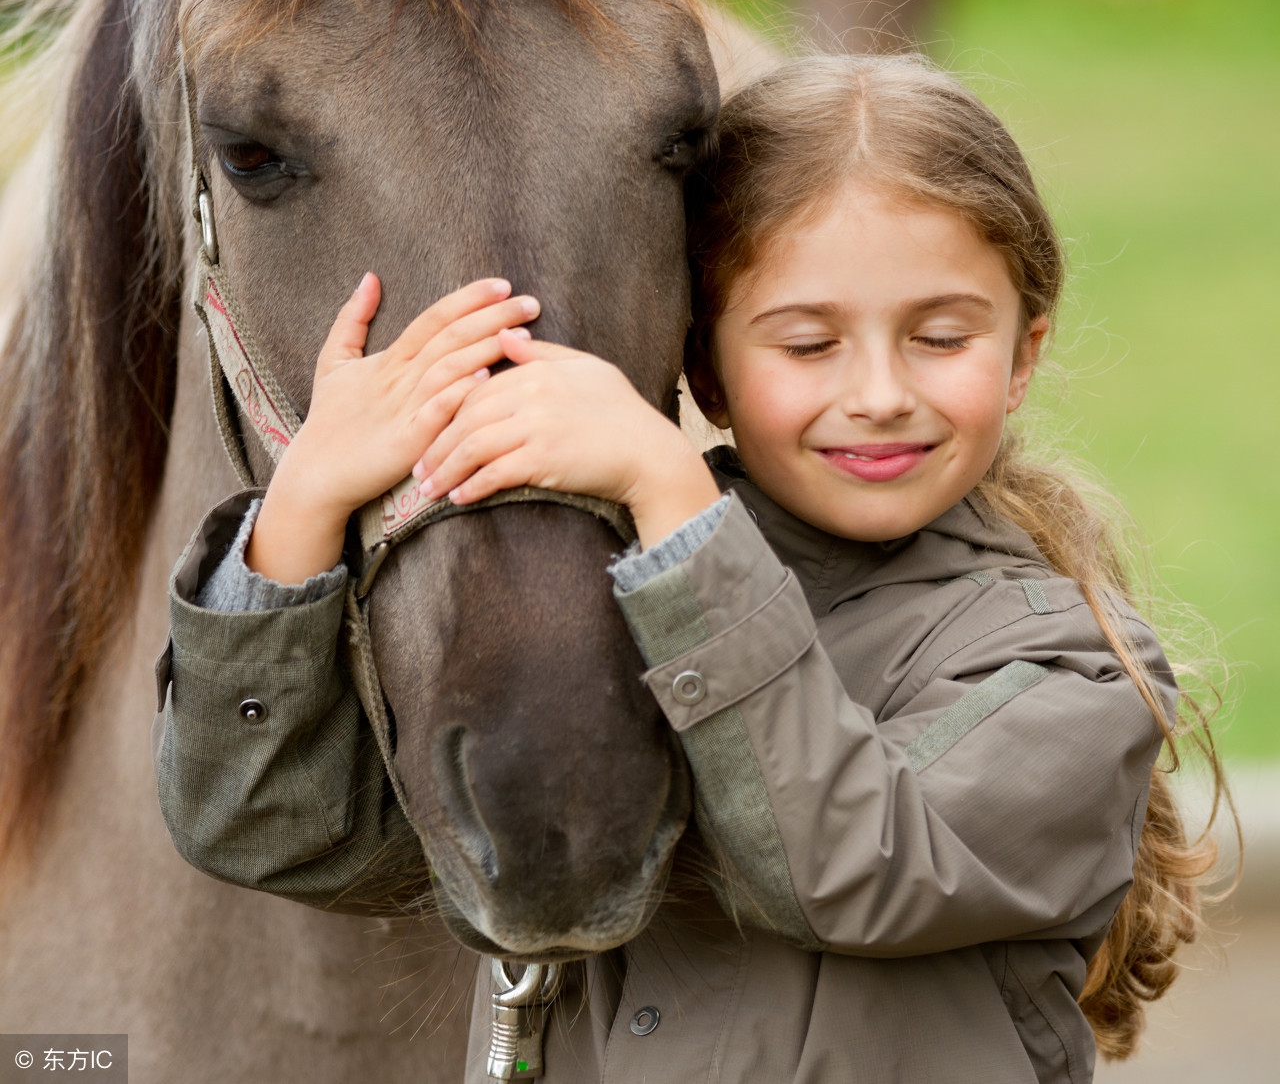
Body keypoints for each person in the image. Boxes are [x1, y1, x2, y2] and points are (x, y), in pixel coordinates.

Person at [154, 54, 1222, 1083]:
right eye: (808, 346)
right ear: (703, 369)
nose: (880, 392)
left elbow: (857, 868)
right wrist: (305, 504)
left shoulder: (1069, 667)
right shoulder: (593, 597)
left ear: (1022, 355)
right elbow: (278, 833)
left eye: (939, 337)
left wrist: (673, 503)